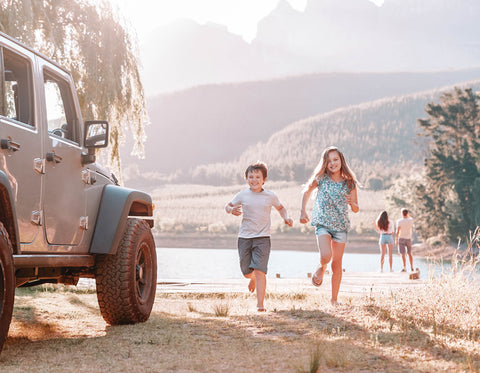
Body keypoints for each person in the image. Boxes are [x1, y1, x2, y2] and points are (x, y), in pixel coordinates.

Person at [225, 161, 293, 312]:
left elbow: (281, 208)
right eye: (251, 177)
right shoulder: (243, 194)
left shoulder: (270, 196)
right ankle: (252, 278)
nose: (254, 180)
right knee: (246, 272)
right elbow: (227, 205)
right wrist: (231, 210)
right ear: (246, 179)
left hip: (263, 238)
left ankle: (260, 305)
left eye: (257, 177)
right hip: (244, 238)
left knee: (260, 270)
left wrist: (286, 218)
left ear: (264, 180)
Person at [300, 146, 359, 306]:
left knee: (337, 263)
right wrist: (303, 211)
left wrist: (351, 203)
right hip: (323, 223)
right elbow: (306, 191)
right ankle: (321, 266)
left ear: (341, 161)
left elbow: (355, 208)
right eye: (329, 161)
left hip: (341, 226)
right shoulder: (321, 178)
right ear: (325, 164)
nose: (333, 163)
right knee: (326, 256)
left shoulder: (349, 182)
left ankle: (334, 299)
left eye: (335, 160)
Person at [396, 208, 415, 272]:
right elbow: (413, 217)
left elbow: (397, 231)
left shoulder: (399, 221)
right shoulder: (410, 220)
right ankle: (412, 267)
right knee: (409, 253)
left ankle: (404, 267)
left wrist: (396, 239)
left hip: (401, 238)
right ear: (407, 213)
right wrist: (408, 214)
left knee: (402, 254)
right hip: (408, 238)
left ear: (401, 214)